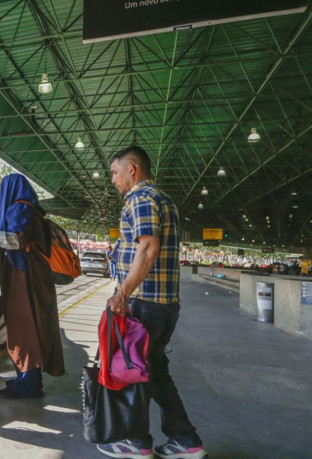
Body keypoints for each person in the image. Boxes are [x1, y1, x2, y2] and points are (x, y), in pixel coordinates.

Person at [98, 146, 207, 459]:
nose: (113, 180)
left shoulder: (142, 198)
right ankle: (186, 441)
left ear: (132, 169)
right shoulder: (162, 199)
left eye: (115, 172)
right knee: (155, 371)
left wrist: (123, 293)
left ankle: (135, 442)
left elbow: (147, 247)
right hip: (163, 303)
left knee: (132, 371)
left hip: (146, 303)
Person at [0, 173, 65, 399]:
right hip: (31, 279)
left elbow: (18, 240)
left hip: (25, 280)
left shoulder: (20, 209)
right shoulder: (31, 210)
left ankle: (29, 384)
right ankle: (27, 378)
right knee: (29, 327)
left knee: (25, 328)